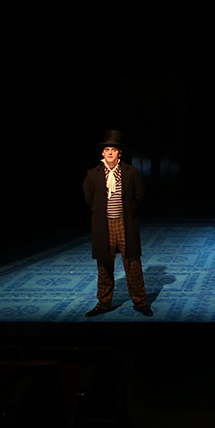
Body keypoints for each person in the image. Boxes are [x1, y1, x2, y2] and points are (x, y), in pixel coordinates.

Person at [83, 130, 152, 317]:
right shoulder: (93, 174)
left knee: (133, 264)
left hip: (124, 224)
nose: (110, 152)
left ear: (119, 152)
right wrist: (100, 212)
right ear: (103, 152)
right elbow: (89, 197)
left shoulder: (131, 172)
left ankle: (140, 302)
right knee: (104, 265)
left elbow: (139, 194)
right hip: (104, 226)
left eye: (113, 149)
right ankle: (103, 303)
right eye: (107, 149)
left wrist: (129, 209)